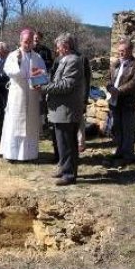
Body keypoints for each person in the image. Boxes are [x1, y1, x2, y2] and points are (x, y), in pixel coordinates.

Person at [36, 33, 84, 186]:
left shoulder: (74, 61)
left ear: (66, 46)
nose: (56, 49)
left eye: (58, 46)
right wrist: (43, 75)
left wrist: (44, 88)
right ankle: (63, 168)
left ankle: (69, 175)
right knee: (61, 142)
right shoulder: (64, 60)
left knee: (68, 144)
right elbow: (57, 79)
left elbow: (66, 85)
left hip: (66, 109)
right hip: (59, 110)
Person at [0, 29, 46, 162]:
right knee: (14, 123)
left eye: (30, 42)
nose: (28, 44)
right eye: (26, 42)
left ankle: (29, 154)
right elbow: (8, 70)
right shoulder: (13, 55)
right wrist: (19, 63)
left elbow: (42, 74)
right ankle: (12, 154)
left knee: (30, 125)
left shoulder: (37, 57)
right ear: (20, 41)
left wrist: (39, 81)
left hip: (32, 95)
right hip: (17, 95)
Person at [106, 38, 135, 164]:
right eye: (119, 51)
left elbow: (134, 83)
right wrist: (109, 87)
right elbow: (108, 78)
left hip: (128, 103)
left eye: (123, 51)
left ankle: (128, 156)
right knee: (117, 128)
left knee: (127, 129)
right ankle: (120, 151)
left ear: (130, 50)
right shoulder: (116, 63)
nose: (120, 53)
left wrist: (118, 91)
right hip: (115, 101)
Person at [33, 31, 53, 133]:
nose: (36, 39)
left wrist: (40, 65)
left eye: (38, 38)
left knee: (43, 102)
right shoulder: (29, 50)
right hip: (31, 79)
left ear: (41, 39)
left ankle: (44, 122)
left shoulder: (46, 51)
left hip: (43, 79)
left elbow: (50, 63)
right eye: (34, 38)